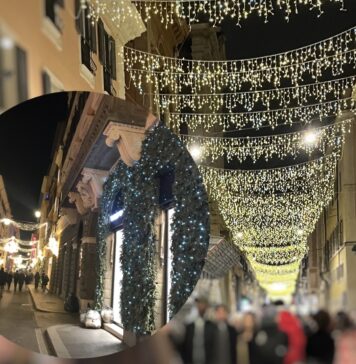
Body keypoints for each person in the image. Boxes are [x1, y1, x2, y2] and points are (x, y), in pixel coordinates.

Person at [179, 296, 217, 364]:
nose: (201, 306)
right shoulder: (189, 327)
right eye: (199, 304)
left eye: (203, 304)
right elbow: (184, 347)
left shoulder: (212, 327)